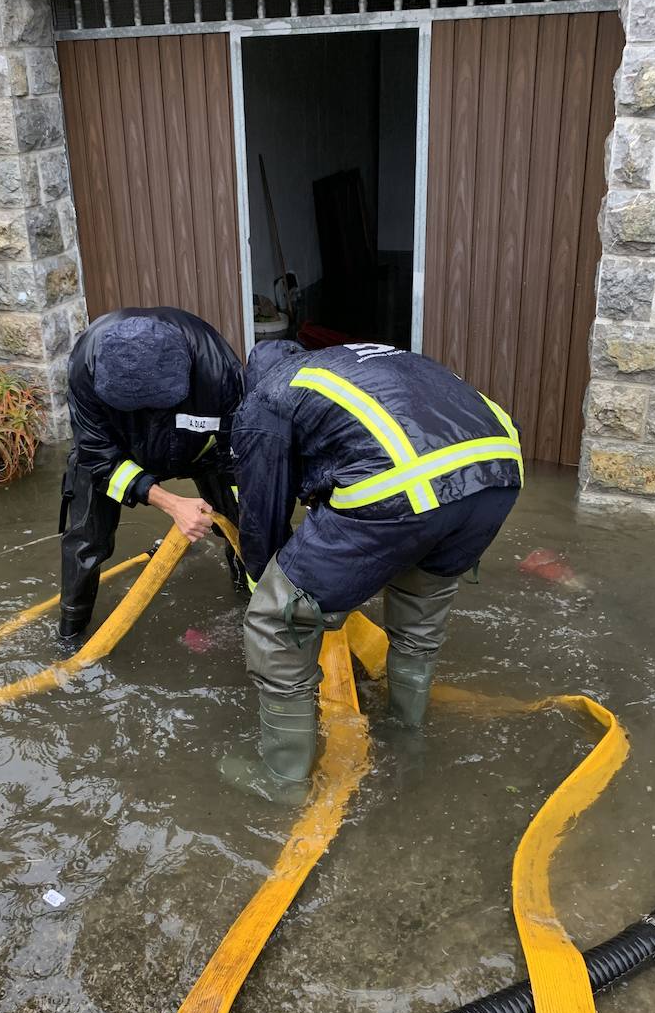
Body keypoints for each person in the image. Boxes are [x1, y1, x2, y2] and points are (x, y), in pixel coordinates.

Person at [223, 340, 522, 801]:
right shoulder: (349, 365)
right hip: (498, 472)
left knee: (274, 622)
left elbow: (262, 513)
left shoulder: (268, 397)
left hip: (403, 480)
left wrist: (270, 587)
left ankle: (282, 781)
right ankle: (406, 733)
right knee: (419, 607)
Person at [58, 306, 243, 647]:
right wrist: (171, 503)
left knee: (247, 521)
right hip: (118, 451)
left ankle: (250, 598)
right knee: (86, 540)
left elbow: (239, 454)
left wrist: (244, 505)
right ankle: (70, 634)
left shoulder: (218, 371)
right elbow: (98, 456)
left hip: (198, 449)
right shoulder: (86, 365)